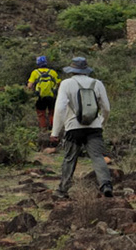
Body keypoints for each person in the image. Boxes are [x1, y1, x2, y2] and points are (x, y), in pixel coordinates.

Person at [51, 56, 114, 198]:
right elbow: (107, 108)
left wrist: (55, 131)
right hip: (94, 127)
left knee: (70, 158)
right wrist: (101, 123)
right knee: (98, 157)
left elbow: (60, 109)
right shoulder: (97, 83)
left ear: (72, 70)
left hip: (73, 127)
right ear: (86, 70)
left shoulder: (66, 84)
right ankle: (106, 185)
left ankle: (62, 190)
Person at [27, 56, 62, 145]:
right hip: (51, 97)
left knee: (41, 114)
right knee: (52, 113)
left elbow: (30, 86)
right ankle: (53, 130)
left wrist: (31, 93)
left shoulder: (35, 72)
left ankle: (43, 131)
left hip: (40, 97)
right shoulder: (52, 72)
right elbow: (59, 83)